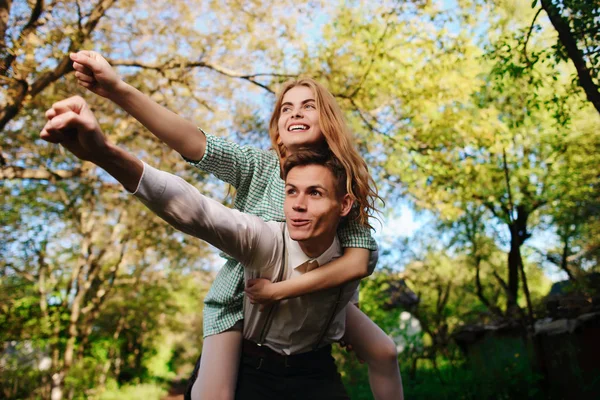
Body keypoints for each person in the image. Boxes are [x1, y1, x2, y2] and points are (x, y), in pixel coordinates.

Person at [68, 51, 403, 400]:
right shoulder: (257, 166)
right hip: (243, 299)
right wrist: (118, 89)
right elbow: (194, 142)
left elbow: (356, 259)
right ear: (277, 126)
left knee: (384, 351)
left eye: (308, 106)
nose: (295, 113)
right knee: (216, 394)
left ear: (329, 120)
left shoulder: (340, 183)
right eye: (286, 108)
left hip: (314, 293)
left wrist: (342, 303)